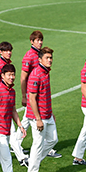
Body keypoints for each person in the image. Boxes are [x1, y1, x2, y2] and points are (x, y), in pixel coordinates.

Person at [0, 42, 28, 167]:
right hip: (1, 106)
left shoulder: (7, 65)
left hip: (6, 103)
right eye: (6, 50)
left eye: (10, 50)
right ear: (0, 52)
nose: (9, 52)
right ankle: (21, 157)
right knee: (10, 132)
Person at [20, 31, 61, 159]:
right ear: (32, 41)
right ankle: (16, 145)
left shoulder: (45, 68)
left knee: (26, 121)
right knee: (28, 122)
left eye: (41, 39)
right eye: (37, 40)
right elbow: (23, 77)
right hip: (33, 97)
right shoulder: (29, 57)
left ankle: (32, 159)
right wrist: (24, 95)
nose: (40, 42)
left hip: (41, 101)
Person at [25, 47, 59, 172]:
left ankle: (33, 160)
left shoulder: (45, 72)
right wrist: (38, 119)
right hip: (38, 116)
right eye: (47, 58)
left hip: (47, 114)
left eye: (51, 58)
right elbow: (32, 98)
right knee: (38, 144)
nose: (50, 60)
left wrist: (51, 113)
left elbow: (45, 96)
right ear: (40, 60)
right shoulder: (36, 75)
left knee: (53, 140)